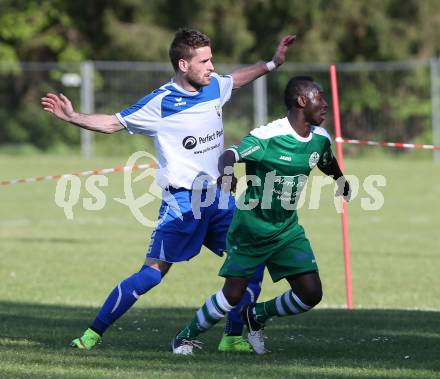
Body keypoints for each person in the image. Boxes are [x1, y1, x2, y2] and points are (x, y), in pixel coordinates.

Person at [40, 28, 296, 352]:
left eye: (211, 59)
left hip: (219, 198)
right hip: (182, 201)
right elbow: (112, 123)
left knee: (250, 258)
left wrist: (272, 63)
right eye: (204, 61)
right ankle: (92, 334)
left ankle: (232, 338)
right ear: (183, 64)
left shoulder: (215, 86)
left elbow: (238, 78)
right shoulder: (161, 102)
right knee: (151, 275)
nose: (212, 67)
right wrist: (73, 116)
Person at [171, 76, 351, 355]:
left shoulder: (319, 139)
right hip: (251, 228)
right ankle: (184, 337)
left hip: (286, 229)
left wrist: (341, 181)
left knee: (311, 294)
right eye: (320, 97)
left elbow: (326, 162)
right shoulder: (268, 136)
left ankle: (256, 315)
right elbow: (228, 155)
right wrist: (227, 175)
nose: (325, 104)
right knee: (232, 294)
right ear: (301, 101)